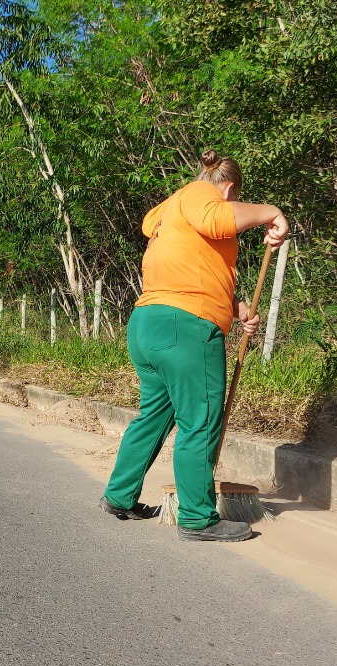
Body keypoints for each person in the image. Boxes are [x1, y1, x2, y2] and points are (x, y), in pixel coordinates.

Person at [98, 150, 288, 542]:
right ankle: (199, 518)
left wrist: (235, 307)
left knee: (154, 415)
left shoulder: (169, 212)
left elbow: (190, 270)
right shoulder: (202, 196)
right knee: (199, 420)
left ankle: (119, 496)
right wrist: (272, 212)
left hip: (148, 323)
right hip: (184, 329)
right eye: (235, 200)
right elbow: (218, 219)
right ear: (229, 189)